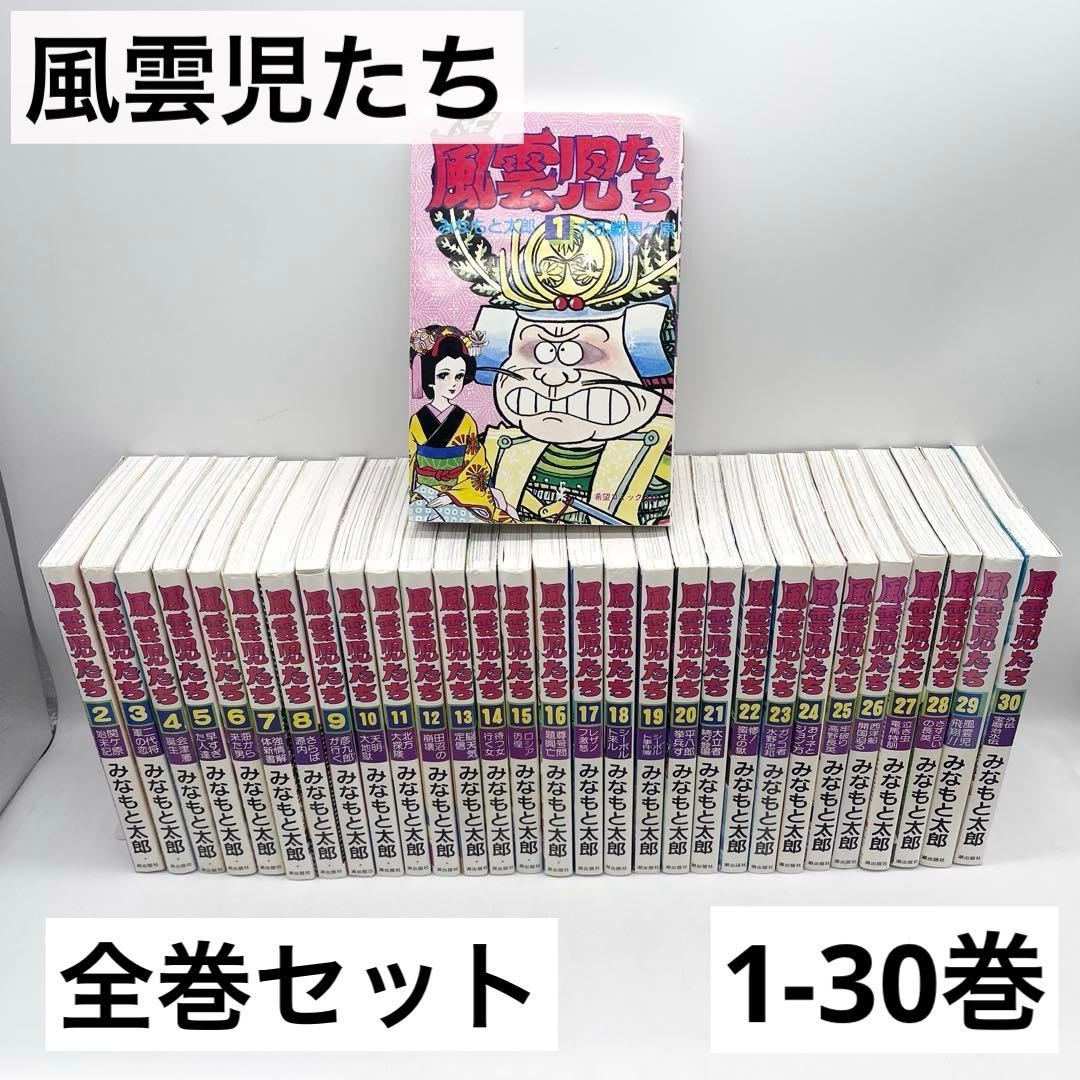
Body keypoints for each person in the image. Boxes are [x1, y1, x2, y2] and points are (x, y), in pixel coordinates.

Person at [407, 325, 511, 523]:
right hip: (422, 491)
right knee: (422, 510)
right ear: (428, 375)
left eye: (459, 376)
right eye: (443, 375)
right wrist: (415, 492)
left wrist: (453, 495)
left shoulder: (465, 420)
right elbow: (412, 462)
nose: (453, 383)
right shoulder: (416, 421)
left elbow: (475, 462)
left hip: (460, 493)